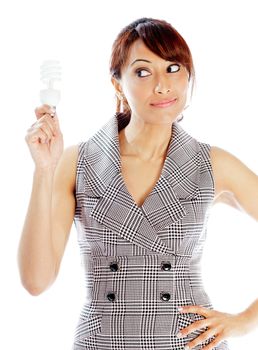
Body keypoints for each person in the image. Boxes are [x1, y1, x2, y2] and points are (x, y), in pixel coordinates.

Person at [18, 17, 258, 350]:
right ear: (118, 84)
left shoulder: (212, 163)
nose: (162, 85)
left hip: (189, 342)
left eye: (174, 68)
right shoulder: (78, 161)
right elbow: (35, 281)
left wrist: (244, 322)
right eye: (143, 72)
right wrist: (44, 169)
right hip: (104, 342)